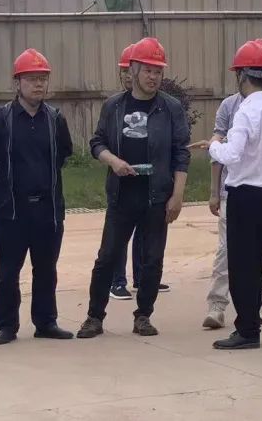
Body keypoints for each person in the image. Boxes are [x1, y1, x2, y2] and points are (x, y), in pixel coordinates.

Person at [77, 37, 190, 339]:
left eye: (158, 71)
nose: (153, 77)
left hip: (156, 196)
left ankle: (143, 316)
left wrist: (178, 195)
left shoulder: (170, 108)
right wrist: (113, 161)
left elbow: (181, 152)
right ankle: (94, 316)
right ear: (134, 70)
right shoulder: (114, 106)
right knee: (107, 257)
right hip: (122, 195)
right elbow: (97, 142)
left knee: (152, 259)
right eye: (148, 70)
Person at [191, 41, 262, 350]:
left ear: (241, 75)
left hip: (244, 195)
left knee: (239, 265)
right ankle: (251, 323)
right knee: (256, 262)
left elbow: (232, 154)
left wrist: (213, 146)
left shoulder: (246, 110)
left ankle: (246, 329)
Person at [0, 48, 76, 345]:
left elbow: (63, 154)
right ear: (17, 83)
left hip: (47, 209)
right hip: (11, 211)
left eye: (42, 79)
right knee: (8, 271)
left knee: (46, 270)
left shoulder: (55, 119)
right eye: (31, 79)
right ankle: (6, 325)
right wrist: (5, 183)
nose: (38, 84)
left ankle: (46, 322)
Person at [110, 44, 170, 300]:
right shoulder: (116, 106)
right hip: (123, 185)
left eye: (129, 70)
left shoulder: (162, 106)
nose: (127, 76)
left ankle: (141, 276)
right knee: (118, 238)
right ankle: (117, 280)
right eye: (124, 71)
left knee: (145, 235)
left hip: (150, 185)